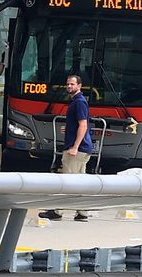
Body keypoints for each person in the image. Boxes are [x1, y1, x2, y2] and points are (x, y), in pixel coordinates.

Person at [39, 75, 93, 222]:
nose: (69, 86)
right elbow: (78, 124)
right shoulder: (77, 102)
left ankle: (58, 211)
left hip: (76, 149)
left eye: (72, 84)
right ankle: (82, 213)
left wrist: (75, 147)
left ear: (79, 86)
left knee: (67, 181)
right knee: (80, 182)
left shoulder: (79, 102)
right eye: (68, 84)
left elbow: (83, 125)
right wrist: (69, 128)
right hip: (83, 148)